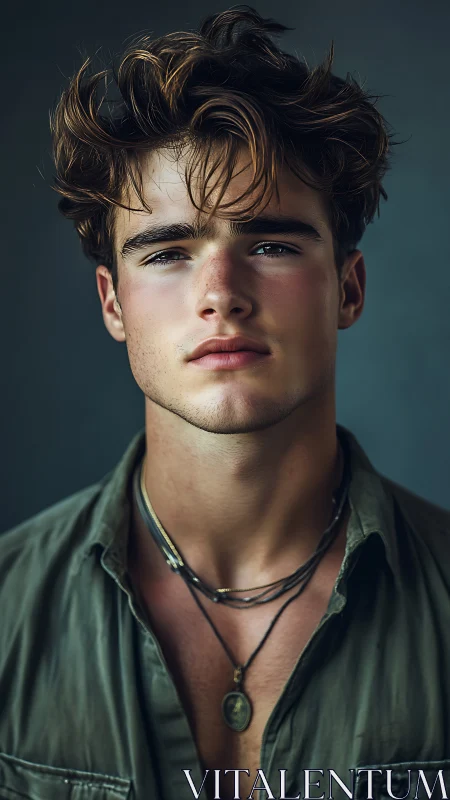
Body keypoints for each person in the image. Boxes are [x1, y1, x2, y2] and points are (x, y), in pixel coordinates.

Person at [0, 6, 449, 800]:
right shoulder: (9, 610)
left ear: (348, 288)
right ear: (112, 304)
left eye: (271, 244)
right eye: (169, 252)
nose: (221, 296)